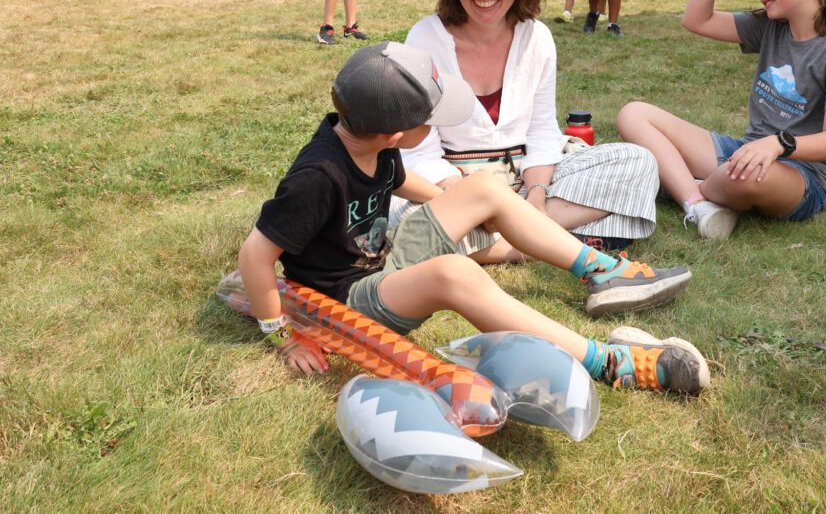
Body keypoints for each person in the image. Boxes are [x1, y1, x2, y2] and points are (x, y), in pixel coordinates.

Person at [236, 42, 707, 395]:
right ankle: (607, 362)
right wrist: (284, 338)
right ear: (397, 132)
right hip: (349, 300)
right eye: (432, 117)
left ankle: (604, 273)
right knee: (455, 273)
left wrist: (454, 194)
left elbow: (396, 181)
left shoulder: (368, 140)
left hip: (383, 259)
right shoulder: (316, 177)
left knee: (482, 187)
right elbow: (256, 256)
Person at [394, 0, 662, 260]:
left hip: (526, 175)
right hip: (454, 182)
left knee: (637, 162)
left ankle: (513, 239)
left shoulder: (537, 37)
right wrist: (470, 197)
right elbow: (419, 151)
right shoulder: (425, 37)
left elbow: (541, 130)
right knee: (401, 217)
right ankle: (544, 241)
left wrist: (535, 194)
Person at [617, 0, 826, 240]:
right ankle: (698, 204)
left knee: (742, 178)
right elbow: (696, 20)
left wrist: (778, 144)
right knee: (634, 114)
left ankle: (679, 182)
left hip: (801, 175)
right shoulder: (769, 26)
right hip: (745, 153)